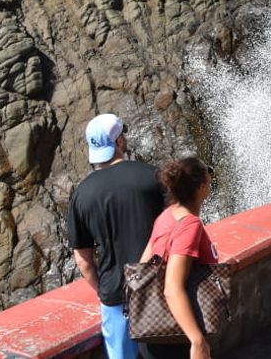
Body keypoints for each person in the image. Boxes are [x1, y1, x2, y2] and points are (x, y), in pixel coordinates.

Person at [67, 114, 165, 359]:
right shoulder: (153, 176)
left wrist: (104, 290)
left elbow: (84, 261)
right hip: (158, 288)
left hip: (116, 296)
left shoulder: (82, 195)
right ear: (119, 141)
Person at [138, 157, 220, 359]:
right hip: (176, 335)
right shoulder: (189, 224)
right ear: (201, 187)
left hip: (155, 328)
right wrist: (197, 340)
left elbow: (143, 264)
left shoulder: (167, 215)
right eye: (208, 175)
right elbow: (172, 287)